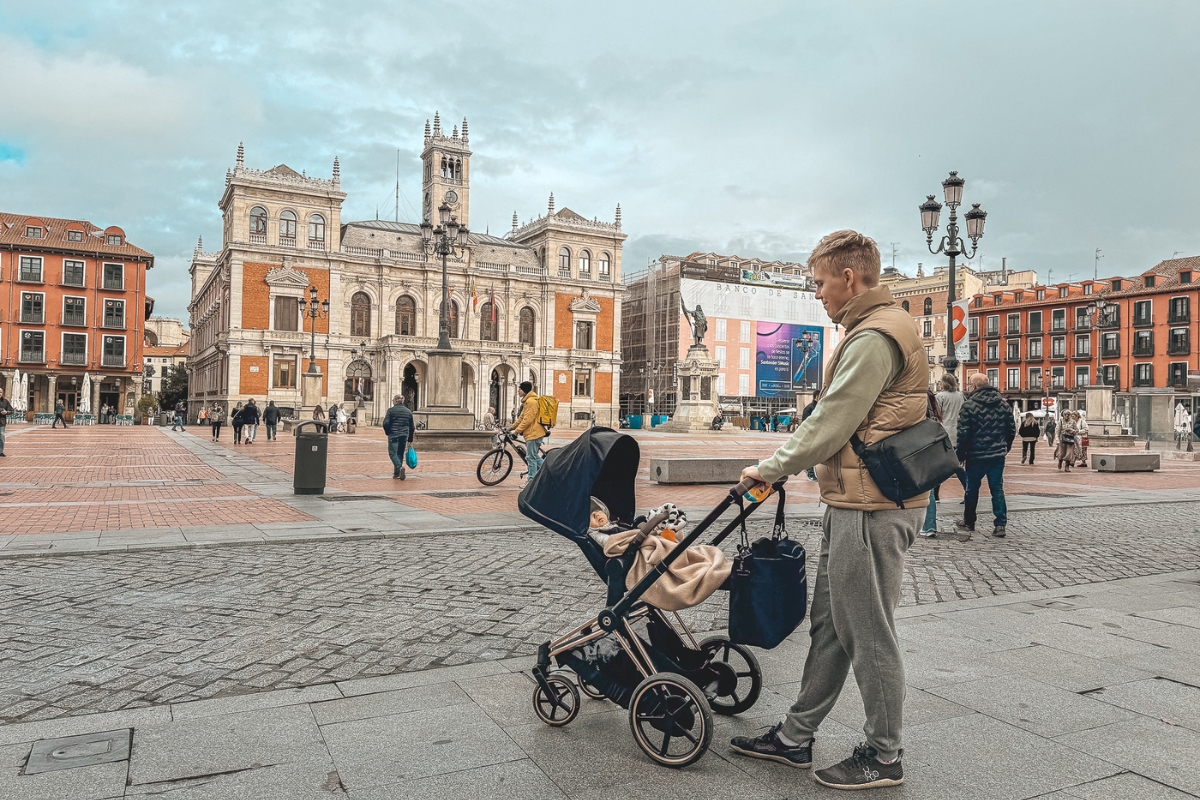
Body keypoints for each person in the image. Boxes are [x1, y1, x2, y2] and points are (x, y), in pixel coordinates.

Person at [729, 230, 925, 790]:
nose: (816, 293)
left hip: (872, 507)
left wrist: (770, 467)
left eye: (819, 283)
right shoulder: (874, 327)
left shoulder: (873, 337)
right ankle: (795, 738)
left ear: (849, 277)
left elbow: (833, 419)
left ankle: (884, 755)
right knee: (832, 627)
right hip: (856, 500)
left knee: (867, 630)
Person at [955, 372, 1016, 539]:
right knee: (997, 489)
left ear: (974, 386)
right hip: (997, 455)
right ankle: (1000, 524)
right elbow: (1011, 430)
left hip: (975, 455)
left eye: (969, 385)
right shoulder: (1003, 405)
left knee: (971, 489)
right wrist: (1005, 448)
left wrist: (960, 454)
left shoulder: (969, 405)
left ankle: (969, 521)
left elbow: (963, 434)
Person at [934, 373, 968, 498]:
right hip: (958, 433)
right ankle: (967, 489)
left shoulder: (940, 396)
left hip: (944, 433)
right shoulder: (960, 396)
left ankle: (935, 494)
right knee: (957, 465)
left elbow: (937, 415)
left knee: (938, 466)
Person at [512, 381, 547, 489]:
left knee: (530, 458)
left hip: (534, 433)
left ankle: (531, 482)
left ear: (524, 390)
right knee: (534, 457)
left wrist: (516, 432)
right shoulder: (528, 401)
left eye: (520, 389)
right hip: (533, 433)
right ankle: (549, 471)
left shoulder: (531, 402)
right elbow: (521, 418)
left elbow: (528, 420)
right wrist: (512, 427)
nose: (518, 391)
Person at [920, 391, 946, 538]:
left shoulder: (920, 416)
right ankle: (929, 525)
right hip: (932, 450)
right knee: (928, 490)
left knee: (926, 491)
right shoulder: (934, 417)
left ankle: (928, 525)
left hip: (919, 450)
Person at [381, 395, 415, 480]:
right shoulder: (408, 411)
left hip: (394, 435)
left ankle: (399, 468)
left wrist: (388, 432)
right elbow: (412, 427)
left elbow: (385, 423)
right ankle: (397, 474)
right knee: (400, 454)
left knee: (392, 453)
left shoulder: (391, 411)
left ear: (396, 401)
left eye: (393, 400)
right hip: (404, 435)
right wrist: (410, 439)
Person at [0, 386, 13, 457]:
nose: (0, 393)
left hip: (2, 422)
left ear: (2, 393)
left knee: (2, 436)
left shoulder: (5, 401)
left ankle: (1, 451)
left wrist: (6, 412)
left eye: (1, 392)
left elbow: (12, 411)